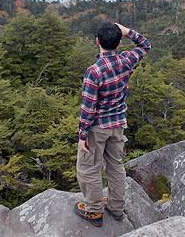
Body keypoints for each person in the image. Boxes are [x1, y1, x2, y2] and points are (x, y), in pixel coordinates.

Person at [74, 22, 151, 227]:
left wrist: (82, 135)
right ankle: (116, 208)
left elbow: (88, 108)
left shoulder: (94, 71)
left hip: (97, 128)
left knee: (89, 168)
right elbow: (145, 45)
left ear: (97, 41)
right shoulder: (126, 60)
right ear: (119, 42)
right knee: (115, 166)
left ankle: (94, 210)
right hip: (118, 123)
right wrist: (127, 32)